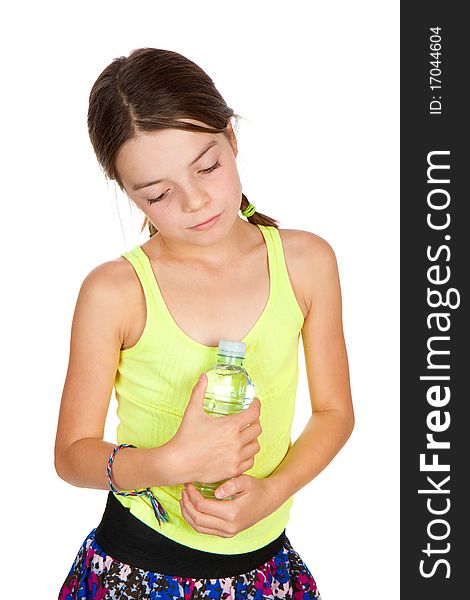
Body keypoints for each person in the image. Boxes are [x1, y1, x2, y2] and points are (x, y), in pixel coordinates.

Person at [55, 47, 354, 600]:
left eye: (208, 166)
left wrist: (273, 491)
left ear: (232, 137)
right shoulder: (115, 292)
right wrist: (169, 463)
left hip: (266, 573)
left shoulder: (306, 263)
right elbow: (73, 455)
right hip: (136, 573)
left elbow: (335, 412)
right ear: (130, 194)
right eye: (159, 194)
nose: (195, 202)